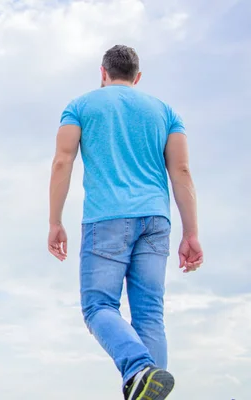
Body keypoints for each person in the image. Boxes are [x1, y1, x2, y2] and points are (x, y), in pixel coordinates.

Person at [47, 45, 203, 400]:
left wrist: (55, 221)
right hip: (156, 219)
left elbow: (62, 162)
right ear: (138, 77)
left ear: (102, 73)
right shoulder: (166, 112)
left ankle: (138, 368)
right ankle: (147, 383)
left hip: (107, 218)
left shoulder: (80, 106)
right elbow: (181, 171)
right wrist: (191, 232)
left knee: (98, 307)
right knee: (149, 315)